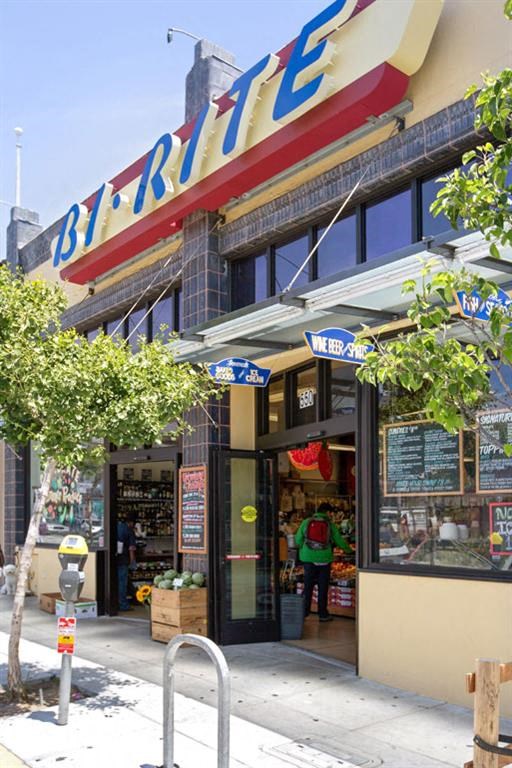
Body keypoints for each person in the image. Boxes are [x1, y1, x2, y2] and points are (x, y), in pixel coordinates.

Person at [295, 502, 352, 622]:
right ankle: (322, 614)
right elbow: (339, 540)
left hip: (308, 558)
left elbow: (298, 539)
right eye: (330, 513)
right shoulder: (330, 525)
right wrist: (348, 550)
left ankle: (304, 612)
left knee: (308, 586)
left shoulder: (306, 522)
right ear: (327, 512)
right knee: (323, 587)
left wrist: (304, 549)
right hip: (324, 559)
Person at [117, 511, 137, 611]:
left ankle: (115, 602)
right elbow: (131, 548)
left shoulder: (117, 526)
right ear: (132, 523)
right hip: (123, 559)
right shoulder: (129, 530)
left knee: (116, 581)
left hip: (114, 558)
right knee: (122, 583)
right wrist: (132, 562)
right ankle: (123, 604)